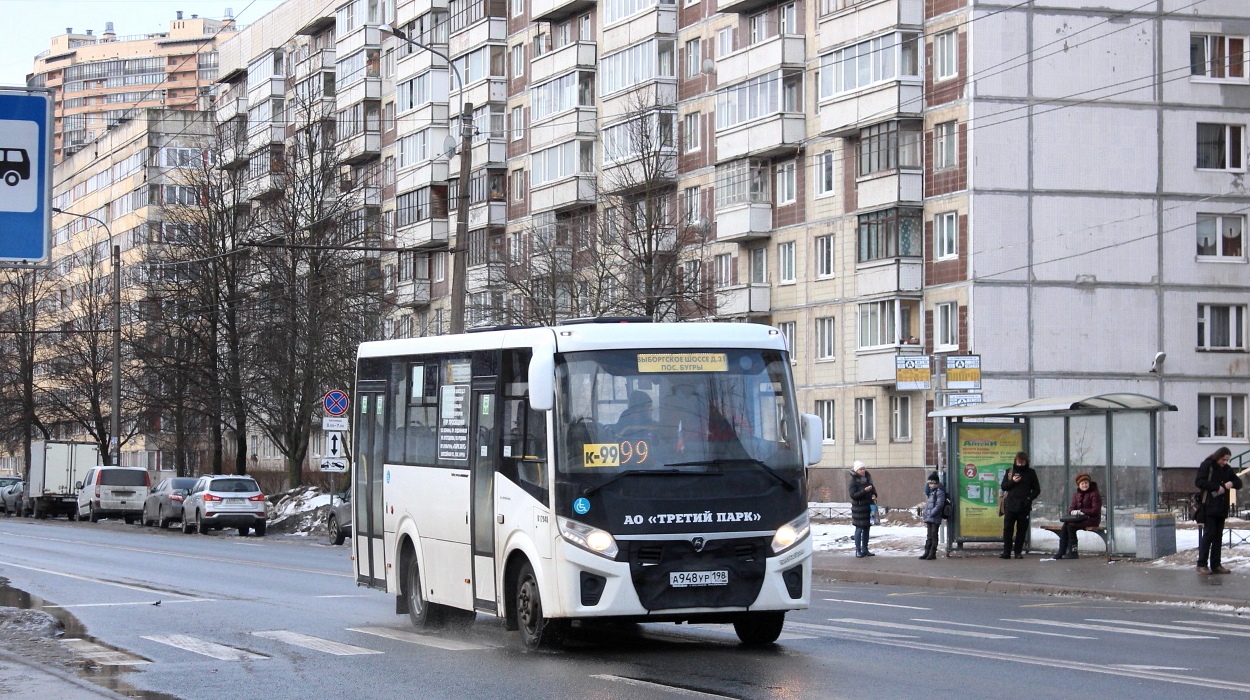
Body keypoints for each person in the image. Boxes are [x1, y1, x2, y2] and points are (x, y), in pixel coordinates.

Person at [1195, 446, 1243, 575]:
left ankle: (1216, 564)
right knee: (1209, 535)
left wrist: (1231, 484)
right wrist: (1216, 487)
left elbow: (1238, 482)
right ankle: (1202, 564)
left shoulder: (1226, 469)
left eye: (1227, 460)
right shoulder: (1207, 465)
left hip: (1221, 507)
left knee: (1218, 537)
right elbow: (1199, 482)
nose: (1224, 462)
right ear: (1218, 457)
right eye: (1223, 459)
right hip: (1209, 506)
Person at [1000, 451, 1040, 559]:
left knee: (1021, 530)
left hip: (1024, 506)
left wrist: (1029, 498)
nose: (1020, 464)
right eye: (1018, 462)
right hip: (1011, 505)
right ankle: (1006, 551)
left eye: (1022, 462)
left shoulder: (1031, 473)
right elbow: (1004, 486)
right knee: (1008, 529)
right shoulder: (1010, 472)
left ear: (1026, 462)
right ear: (1015, 461)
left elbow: (1037, 489)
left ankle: (1018, 551)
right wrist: (1013, 481)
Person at [1055, 472, 1101, 560]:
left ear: (1089, 483)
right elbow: (1071, 507)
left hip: (1092, 519)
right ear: (1079, 485)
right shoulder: (1077, 494)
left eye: (1086, 483)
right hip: (1080, 518)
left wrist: (1082, 511)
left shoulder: (1094, 493)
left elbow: (1095, 510)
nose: (1084, 485)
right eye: (1082, 483)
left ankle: (1073, 552)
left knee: (1071, 526)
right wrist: (1073, 511)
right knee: (1065, 526)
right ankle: (1061, 551)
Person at [849, 461, 877, 558]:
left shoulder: (868, 479)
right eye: (861, 469)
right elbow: (853, 495)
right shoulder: (854, 481)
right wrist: (864, 491)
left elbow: (873, 490)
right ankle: (858, 550)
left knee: (867, 529)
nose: (863, 471)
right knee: (859, 529)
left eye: (864, 468)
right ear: (857, 470)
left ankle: (865, 549)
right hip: (859, 509)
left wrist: (874, 495)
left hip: (868, 508)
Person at [919, 471, 945, 561]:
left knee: (934, 535)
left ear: (935, 483)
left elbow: (939, 504)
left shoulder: (939, 492)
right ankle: (927, 552)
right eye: (929, 483)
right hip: (930, 516)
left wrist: (932, 513)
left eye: (931, 483)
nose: (929, 485)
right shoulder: (932, 492)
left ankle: (932, 553)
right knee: (929, 535)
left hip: (935, 516)